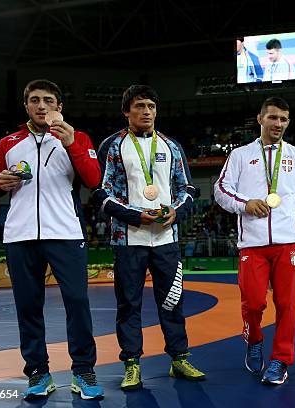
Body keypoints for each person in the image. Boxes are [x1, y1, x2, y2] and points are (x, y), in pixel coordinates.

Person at [0, 79, 104, 400]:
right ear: (26, 106)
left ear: (59, 107)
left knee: (77, 302)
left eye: (48, 101)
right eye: (35, 100)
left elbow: (94, 179)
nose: (41, 106)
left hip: (65, 232)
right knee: (28, 306)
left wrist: (72, 144)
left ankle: (83, 370)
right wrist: (0, 182)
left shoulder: (77, 137)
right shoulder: (8, 143)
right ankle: (38, 372)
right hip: (20, 235)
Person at [94, 85, 204, 391]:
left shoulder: (171, 146)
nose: (146, 111)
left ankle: (179, 359)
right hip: (128, 240)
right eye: (140, 106)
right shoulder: (113, 146)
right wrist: (135, 215)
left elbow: (188, 190)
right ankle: (132, 364)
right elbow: (101, 192)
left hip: (166, 238)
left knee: (172, 301)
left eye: (151, 106)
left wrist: (175, 213)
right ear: (126, 111)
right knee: (128, 305)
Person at [214, 97, 295, 385]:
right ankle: (255, 338)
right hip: (252, 244)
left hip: (287, 243)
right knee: (253, 304)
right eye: (273, 117)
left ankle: (281, 360)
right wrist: (245, 204)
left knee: (288, 303)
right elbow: (220, 190)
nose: (278, 124)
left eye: (284, 119)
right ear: (260, 119)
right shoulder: (239, 155)